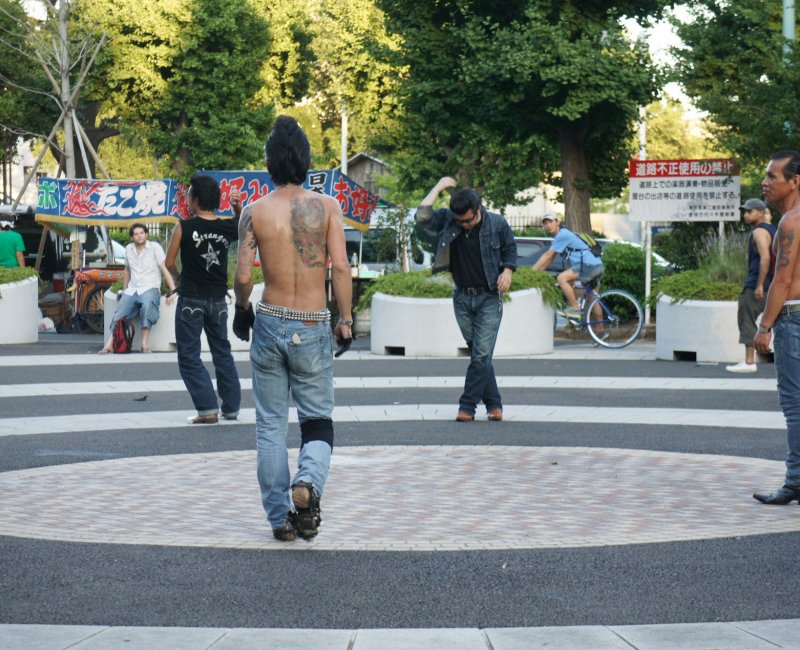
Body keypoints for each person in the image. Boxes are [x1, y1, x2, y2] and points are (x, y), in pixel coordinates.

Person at [232, 115, 352, 542]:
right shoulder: (328, 208)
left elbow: (244, 276)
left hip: (270, 320)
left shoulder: (254, 212)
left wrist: (242, 310)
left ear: (269, 164)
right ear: (305, 160)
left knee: (269, 425)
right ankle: (308, 483)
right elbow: (340, 267)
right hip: (314, 323)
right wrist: (346, 320)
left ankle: (280, 518)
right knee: (318, 420)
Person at [416, 176, 517, 422]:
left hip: (490, 297)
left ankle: (467, 407)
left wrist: (507, 271)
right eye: (460, 221)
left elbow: (510, 249)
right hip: (462, 298)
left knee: (481, 354)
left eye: (469, 220)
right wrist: (438, 187)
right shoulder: (450, 221)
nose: (464, 225)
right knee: (478, 353)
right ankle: (494, 404)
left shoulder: (497, 224)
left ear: (479, 210)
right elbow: (421, 218)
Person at [165, 175, 242, 425]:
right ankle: (230, 408)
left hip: (190, 299)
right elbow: (240, 222)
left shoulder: (183, 227)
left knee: (189, 355)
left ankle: (207, 408)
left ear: (195, 200)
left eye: (189, 193)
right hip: (218, 301)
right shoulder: (226, 227)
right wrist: (237, 207)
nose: (187, 197)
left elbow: (168, 263)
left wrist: (179, 279)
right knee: (222, 352)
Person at [754, 150, 800, 505]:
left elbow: (782, 281)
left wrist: (764, 325)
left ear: (795, 181)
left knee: (795, 406)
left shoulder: (790, 223)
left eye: (772, 176)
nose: (765, 182)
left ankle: (796, 481)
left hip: (793, 319)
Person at [99, 223, 176, 354]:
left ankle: (144, 343)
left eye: (141, 233)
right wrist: (124, 291)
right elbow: (127, 270)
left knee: (147, 307)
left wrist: (173, 290)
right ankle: (109, 344)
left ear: (146, 234)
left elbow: (164, 268)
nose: (139, 236)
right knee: (120, 312)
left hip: (150, 287)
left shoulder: (155, 248)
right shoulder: (129, 249)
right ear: (132, 237)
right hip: (133, 289)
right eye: (136, 234)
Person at [726, 198, 776, 373]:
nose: (745, 214)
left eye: (749, 211)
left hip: (758, 283)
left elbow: (765, 258)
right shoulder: (772, 229)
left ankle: (749, 362)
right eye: (744, 211)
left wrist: (759, 285)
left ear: (761, 212)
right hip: (775, 284)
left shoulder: (759, 232)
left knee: (746, 319)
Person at [532, 214, 604, 321]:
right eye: (545, 223)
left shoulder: (562, 235)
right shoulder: (565, 235)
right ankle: (600, 331)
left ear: (558, 222)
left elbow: (548, 255)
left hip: (589, 266)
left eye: (551, 222)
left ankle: (575, 309)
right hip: (597, 265)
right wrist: (540, 271)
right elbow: (550, 259)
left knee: (561, 278)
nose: (548, 225)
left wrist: (532, 272)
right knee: (593, 299)